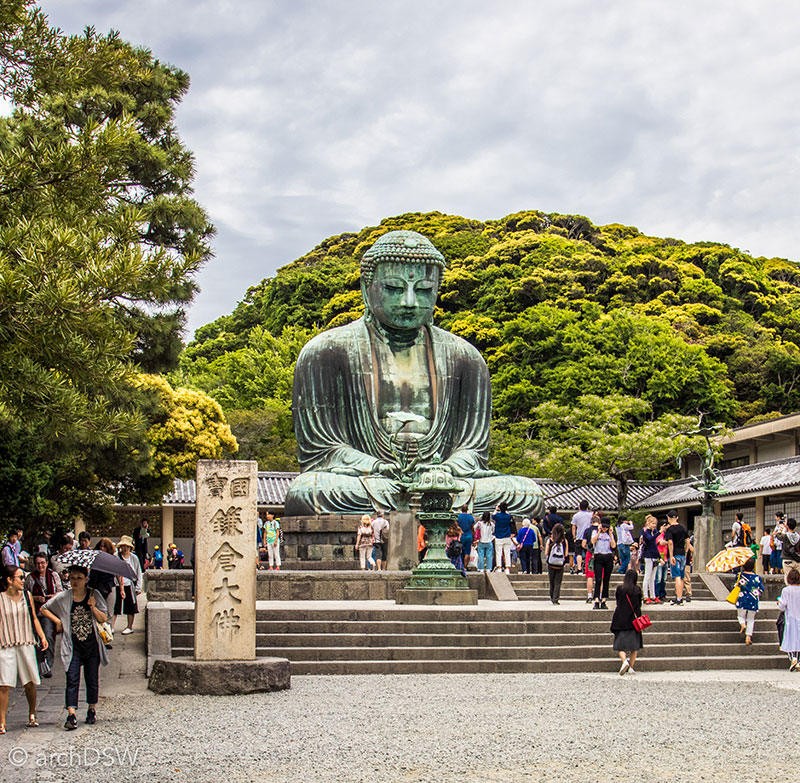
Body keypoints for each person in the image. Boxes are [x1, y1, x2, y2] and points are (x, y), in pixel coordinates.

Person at [284, 229, 544, 517]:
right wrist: (375, 466)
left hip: (445, 482)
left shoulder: (465, 358)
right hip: (369, 481)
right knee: (309, 490)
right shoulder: (326, 351)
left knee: (524, 493)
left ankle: (428, 499)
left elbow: (473, 450)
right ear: (366, 287)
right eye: (394, 288)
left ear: (436, 291)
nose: (409, 301)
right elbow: (323, 450)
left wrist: (446, 469)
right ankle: (424, 503)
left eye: (422, 290)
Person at [40, 566, 108, 729]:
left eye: (78, 578)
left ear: (86, 579)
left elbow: (104, 618)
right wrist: (57, 621)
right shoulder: (64, 597)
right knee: (72, 679)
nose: (75, 581)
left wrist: (93, 607)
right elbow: (44, 608)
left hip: (92, 644)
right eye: (72, 578)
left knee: (91, 679)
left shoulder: (94, 595)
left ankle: (91, 709)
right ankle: (71, 713)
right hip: (72, 645)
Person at [0, 565, 49, 733]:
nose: (23, 581)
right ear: (9, 580)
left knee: (29, 682)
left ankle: (32, 713)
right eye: (20, 577)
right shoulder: (0, 598)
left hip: (26, 641)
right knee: (4, 684)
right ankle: (2, 721)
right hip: (5, 642)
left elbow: (34, 618)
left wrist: (42, 636)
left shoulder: (27, 596)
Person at [24, 552, 62, 677]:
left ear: (46, 563)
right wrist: (35, 598)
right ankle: (40, 663)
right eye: (38, 563)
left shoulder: (53, 575)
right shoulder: (31, 578)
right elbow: (26, 595)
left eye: (43, 563)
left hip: (49, 612)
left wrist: (53, 596)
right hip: (36, 612)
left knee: (49, 636)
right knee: (37, 639)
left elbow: (60, 592)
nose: (40, 566)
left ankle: (48, 663)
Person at [610, 569, 644, 675]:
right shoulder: (638, 590)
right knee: (634, 646)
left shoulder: (620, 589)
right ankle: (631, 667)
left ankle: (624, 661)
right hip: (634, 621)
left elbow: (618, 602)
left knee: (620, 645)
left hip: (621, 619)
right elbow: (639, 605)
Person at [112, 535, 142, 635]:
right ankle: (111, 626)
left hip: (129, 584)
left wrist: (138, 586)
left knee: (130, 607)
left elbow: (138, 572)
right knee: (115, 607)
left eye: (126, 546)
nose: (124, 548)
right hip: (117, 584)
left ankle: (129, 626)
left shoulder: (134, 558)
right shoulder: (116, 556)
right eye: (123, 546)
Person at [734, 557, 764, 645]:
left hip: (742, 598)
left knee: (740, 616)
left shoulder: (740, 575)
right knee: (751, 619)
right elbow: (761, 588)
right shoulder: (757, 577)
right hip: (753, 599)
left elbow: (736, 585)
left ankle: (743, 624)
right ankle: (748, 637)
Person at [664, 510, 689, 605]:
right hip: (682, 553)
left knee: (677, 576)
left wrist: (671, 555)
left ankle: (679, 598)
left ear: (668, 518)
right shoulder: (683, 528)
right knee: (682, 577)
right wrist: (686, 551)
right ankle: (680, 596)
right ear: (677, 517)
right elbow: (687, 541)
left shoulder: (670, 530)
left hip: (675, 554)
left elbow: (670, 542)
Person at [777, 568, 800, 670]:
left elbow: (782, 606)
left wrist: (779, 602)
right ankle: (798, 660)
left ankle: (793, 658)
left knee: (790, 639)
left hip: (790, 618)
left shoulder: (786, 590)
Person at [591, 518, 616, 609]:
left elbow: (613, 546)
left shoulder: (610, 534)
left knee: (606, 580)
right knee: (598, 579)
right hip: (598, 556)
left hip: (608, 556)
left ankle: (604, 599)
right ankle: (596, 599)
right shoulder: (595, 532)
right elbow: (593, 541)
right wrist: (598, 532)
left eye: (606, 527)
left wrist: (610, 533)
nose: (604, 528)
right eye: (603, 526)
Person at [545, 523, 567, 604]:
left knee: (552, 581)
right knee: (558, 582)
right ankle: (556, 598)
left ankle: (551, 596)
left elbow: (546, 553)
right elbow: (566, 553)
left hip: (551, 564)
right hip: (560, 565)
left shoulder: (550, 540)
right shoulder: (564, 541)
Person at [640, 515, 660, 604]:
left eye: (655, 523)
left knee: (653, 578)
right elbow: (650, 539)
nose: (654, 525)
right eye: (652, 523)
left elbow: (655, 546)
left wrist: (659, 557)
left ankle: (653, 595)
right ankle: (645, 596)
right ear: (648, 523)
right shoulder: (646, 532)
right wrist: (659, 532)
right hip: (648, 556)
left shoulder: (654, 532)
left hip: (655, 556)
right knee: (647, 577)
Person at [492, 502, 515, 574]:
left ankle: (499, 567)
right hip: (507, 536)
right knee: (507, 553)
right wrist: (505, 509)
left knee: (498, 553)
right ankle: (507, 568)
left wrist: (496, 509)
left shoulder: (498, 516)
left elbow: (492, 516)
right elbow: (509, 515)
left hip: (499, 536)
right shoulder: (508, 516)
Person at [775, 518, 800, 583]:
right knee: (798, 578)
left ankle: (789, 591)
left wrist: (781, 529)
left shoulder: (785, 536)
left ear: (787, 526)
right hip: (797, 560)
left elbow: (778, 536)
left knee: (788, 578)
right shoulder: (798, 536)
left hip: (787, 560)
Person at [571, 500, 593, 573]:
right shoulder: (591, 515)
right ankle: (588, 567)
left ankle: (579, 568)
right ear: (587, 507)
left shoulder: (576, 515)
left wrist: (574, 537)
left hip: (579, 536)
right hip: (589, 536)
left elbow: (573, 527)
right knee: (588, 552)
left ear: (579, 507)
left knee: (578, 553)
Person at [456, 505, 475, 572]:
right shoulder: (471, 517)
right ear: (467, 509)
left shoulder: (458, 517)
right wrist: (474, 538)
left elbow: (456, 527)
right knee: (467, 552)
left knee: (459, 551)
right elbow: (472, 528)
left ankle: (460, 566)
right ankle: (465, 566)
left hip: (460, 536)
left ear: (461, 509)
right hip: (469, 536)